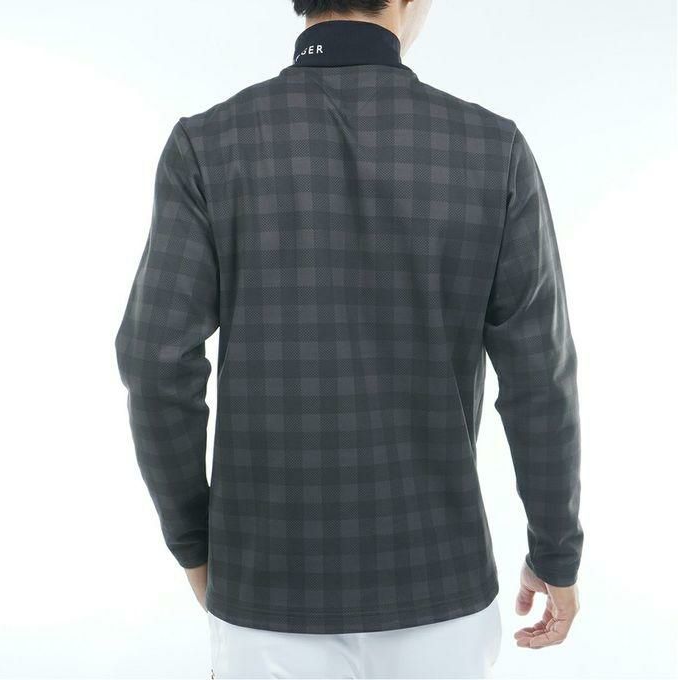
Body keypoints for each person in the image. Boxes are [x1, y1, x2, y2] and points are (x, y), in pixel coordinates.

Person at [115, 0, 583, 677]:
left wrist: (196, 544)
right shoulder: (493, 149)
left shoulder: (208, 144)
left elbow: (154, 361)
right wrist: (555, 551)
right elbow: (541, 377)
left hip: (265, 592)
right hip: (440, 586)